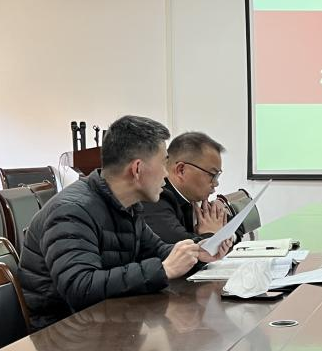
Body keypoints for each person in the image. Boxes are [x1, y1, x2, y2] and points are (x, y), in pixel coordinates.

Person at [20, 115, 232, 328]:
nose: (166, 174)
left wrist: (198, 253)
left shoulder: (126, 206)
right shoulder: (72, 211)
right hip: (63, 333)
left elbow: (158, 251)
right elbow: (80, 287)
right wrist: (163, 270)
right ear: (137, 169)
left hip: (108, 322)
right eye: (163, 163)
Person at [139, 131, 235, 245]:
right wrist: (211, 235)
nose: (216, 183)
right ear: (181, 170)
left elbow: (235, 226)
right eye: (212, 175)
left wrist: (226, 236)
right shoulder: (156, 198)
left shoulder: (192, 198)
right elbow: (182, 247)